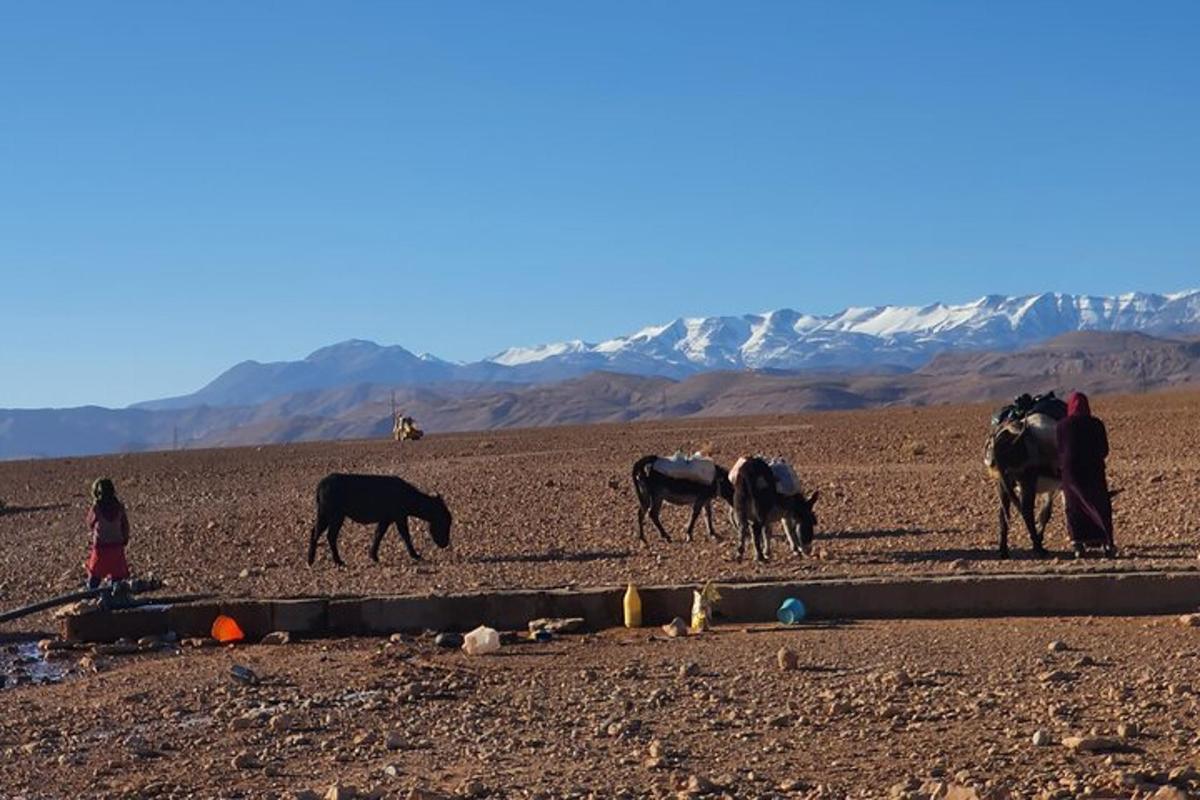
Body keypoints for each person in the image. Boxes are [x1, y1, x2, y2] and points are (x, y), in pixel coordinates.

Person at [1056, 392, 1115, 557]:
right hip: (1093, 471)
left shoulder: (1062, 425)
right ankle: (1106, 542)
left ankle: (1078, 543)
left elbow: (1059, 451)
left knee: (1074, 506)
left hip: (1070, 472)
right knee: (1099, 504)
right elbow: (1104, 449)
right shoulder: (1096, 424)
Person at [84, 478, 130, 589]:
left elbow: (89, 523)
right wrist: (124, 539)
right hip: (117, 546)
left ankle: (90, 594)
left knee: (95, 576)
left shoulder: (97, 508)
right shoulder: (119, 507)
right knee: (117, 576)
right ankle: (115, 594)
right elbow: (125, 525)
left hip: (101, 548)